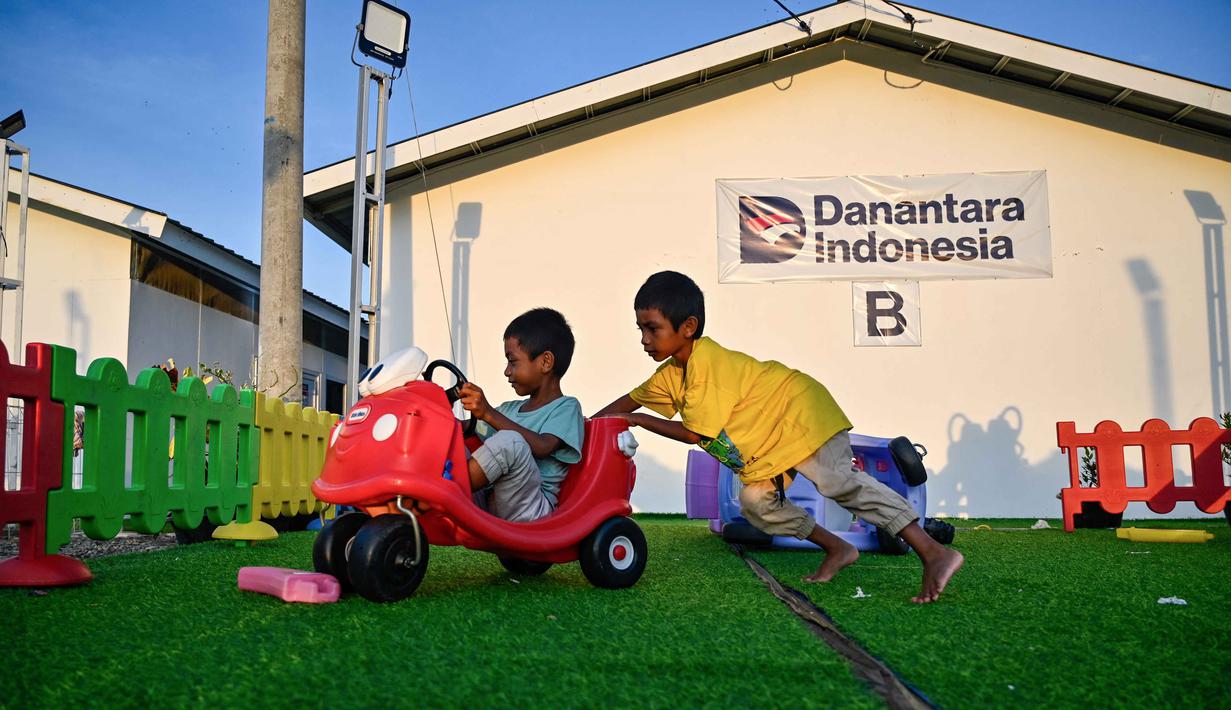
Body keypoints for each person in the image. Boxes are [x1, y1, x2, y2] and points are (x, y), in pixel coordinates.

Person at [594, 271, 963, 603]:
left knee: (837, 482)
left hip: (799, 413)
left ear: (687, 326)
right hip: (770, 448)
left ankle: (932, 551)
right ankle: (837, 547)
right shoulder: (673, 374)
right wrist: (584, 426)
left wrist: (637, 420)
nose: (644, 339)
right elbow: (629, 400)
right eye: (640, 329)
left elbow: (693, 433)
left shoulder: (707, 365)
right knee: (756, 504)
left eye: (652, 328)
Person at [458, 308, 585, 523]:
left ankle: (449, 486)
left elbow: (543, 447)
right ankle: (428, 489)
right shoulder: (509, 409)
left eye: (513, 361)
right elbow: (469, 428)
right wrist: (438, 416)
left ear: (545, 362)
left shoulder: (566, 407)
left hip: (533, 510)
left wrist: (489, 413)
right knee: (453, 443)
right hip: (491, 500)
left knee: (511, 442)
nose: (507, 371)